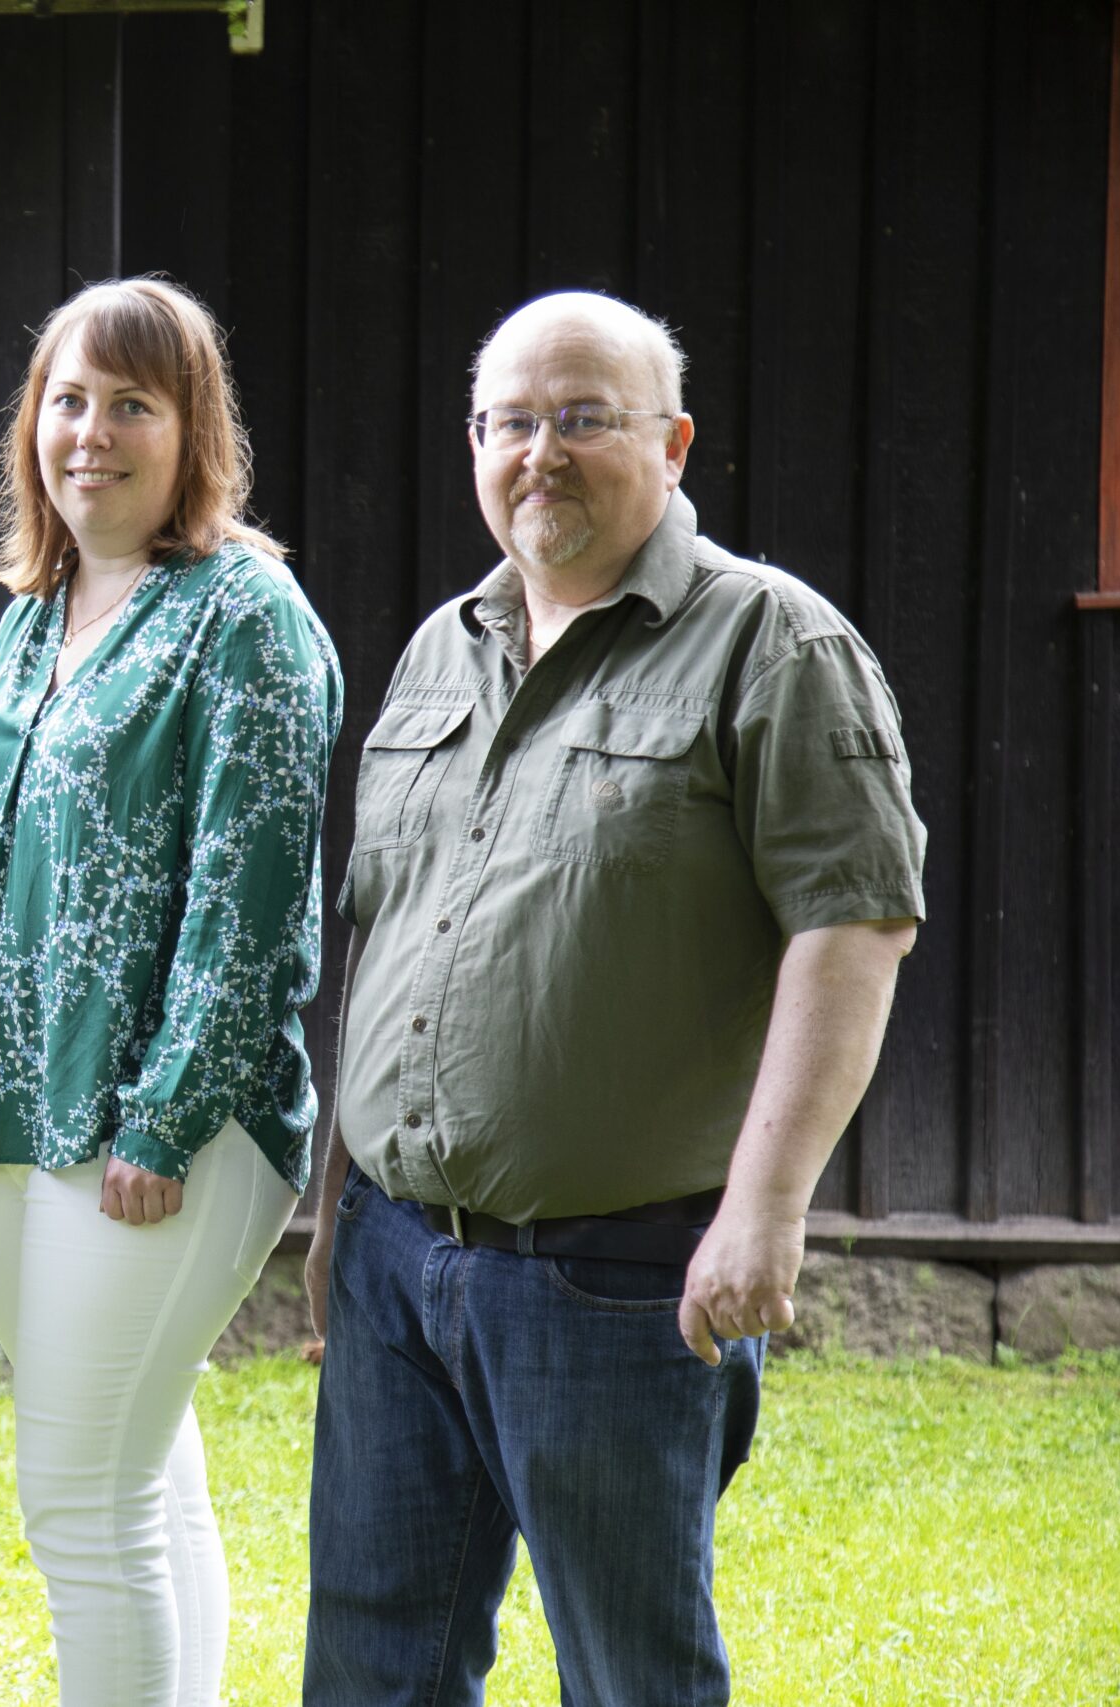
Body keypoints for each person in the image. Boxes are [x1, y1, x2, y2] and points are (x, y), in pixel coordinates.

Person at [300, 290, 926, 1705]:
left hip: (615, 1284)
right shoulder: (439, 650)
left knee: (631, 1675)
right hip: (400, 1263)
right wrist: (344, 1219)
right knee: (369, 1663)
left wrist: (765, 1213)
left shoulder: (774, 646)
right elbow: (392, 939)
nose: (544, 451)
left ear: (674, 442)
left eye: (585, 418)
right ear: (474, 443)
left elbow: (854, 931)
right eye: (512, 421)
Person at [0, 277, 342, 1707]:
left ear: (191, 429)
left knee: (79, 1505)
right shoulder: (36, 618)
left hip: (166, 1129)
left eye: (133, 404)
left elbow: (253, 899)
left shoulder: (248, 616)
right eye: (69, 401)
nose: (92, 433)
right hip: (22, 1120)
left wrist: (160, 1121)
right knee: (140, 1476)